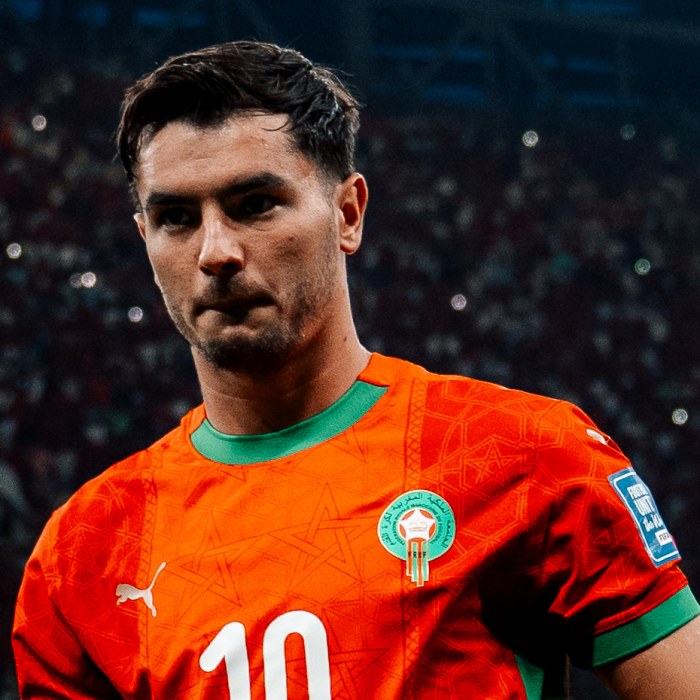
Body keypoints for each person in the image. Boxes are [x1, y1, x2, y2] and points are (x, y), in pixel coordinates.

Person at [12, 40, 700, 700]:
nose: (215, 251)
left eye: (255, 205)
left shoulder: (526, 455)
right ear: (144, 237)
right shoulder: (83, 553)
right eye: (175, 218)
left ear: (348, 213)